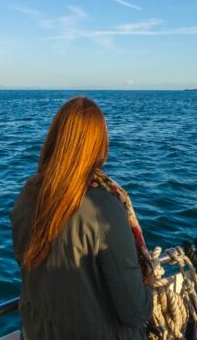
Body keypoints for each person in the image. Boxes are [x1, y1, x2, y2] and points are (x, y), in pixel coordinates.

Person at [10, 96, 153, 340]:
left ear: (54, 138)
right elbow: (134, 311)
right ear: (99, 145)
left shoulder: (26, 197)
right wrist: (150, 284)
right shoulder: (103, 208)